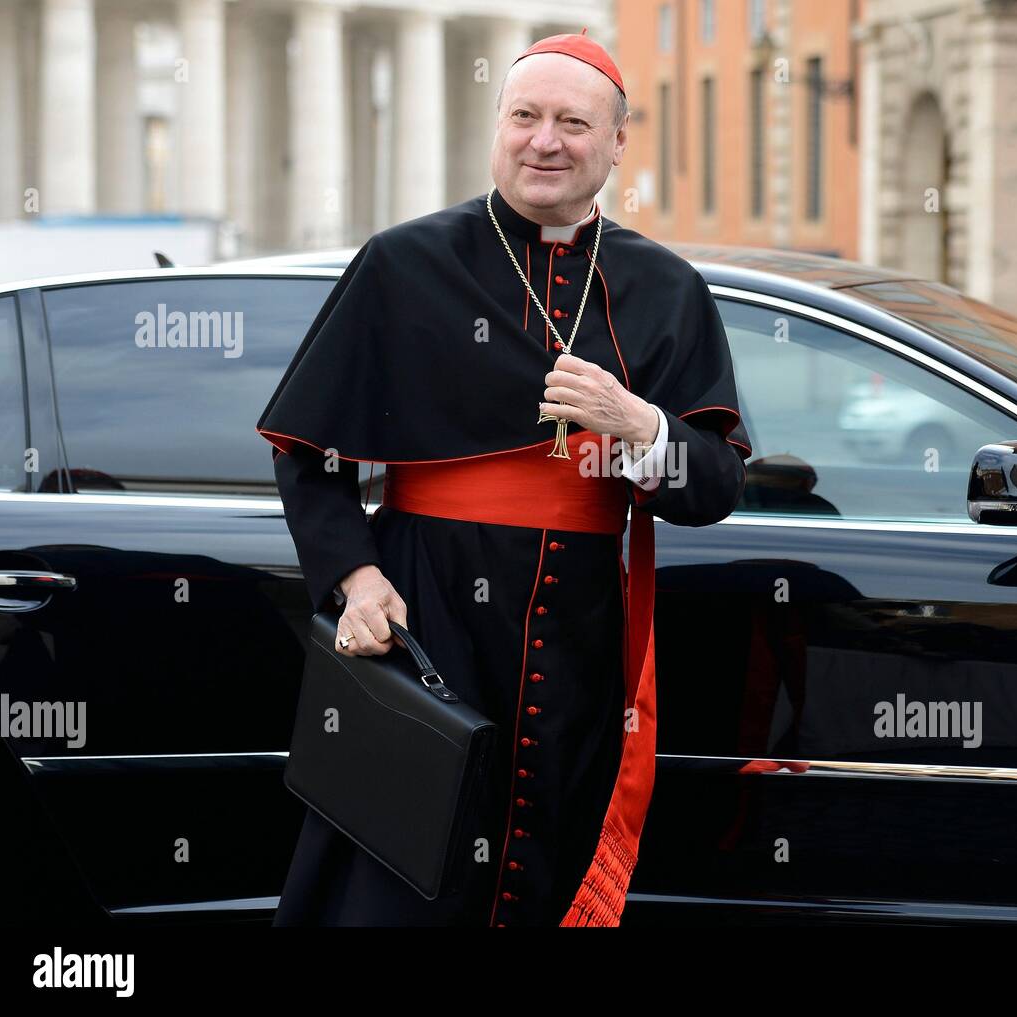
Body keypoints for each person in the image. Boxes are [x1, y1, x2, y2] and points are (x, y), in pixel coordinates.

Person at [256, 30, 751, 927]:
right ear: (499, 125)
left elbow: (712, 485)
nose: (545, 140)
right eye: (525, 116)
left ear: (617, 143)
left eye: (572, 121)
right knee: (398, 873)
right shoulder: (405, 264)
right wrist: (355, 577)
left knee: (544, 864)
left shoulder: (666, 288)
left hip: (581, 641)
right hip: (427, 612)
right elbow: (308, 449)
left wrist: (639, 425)